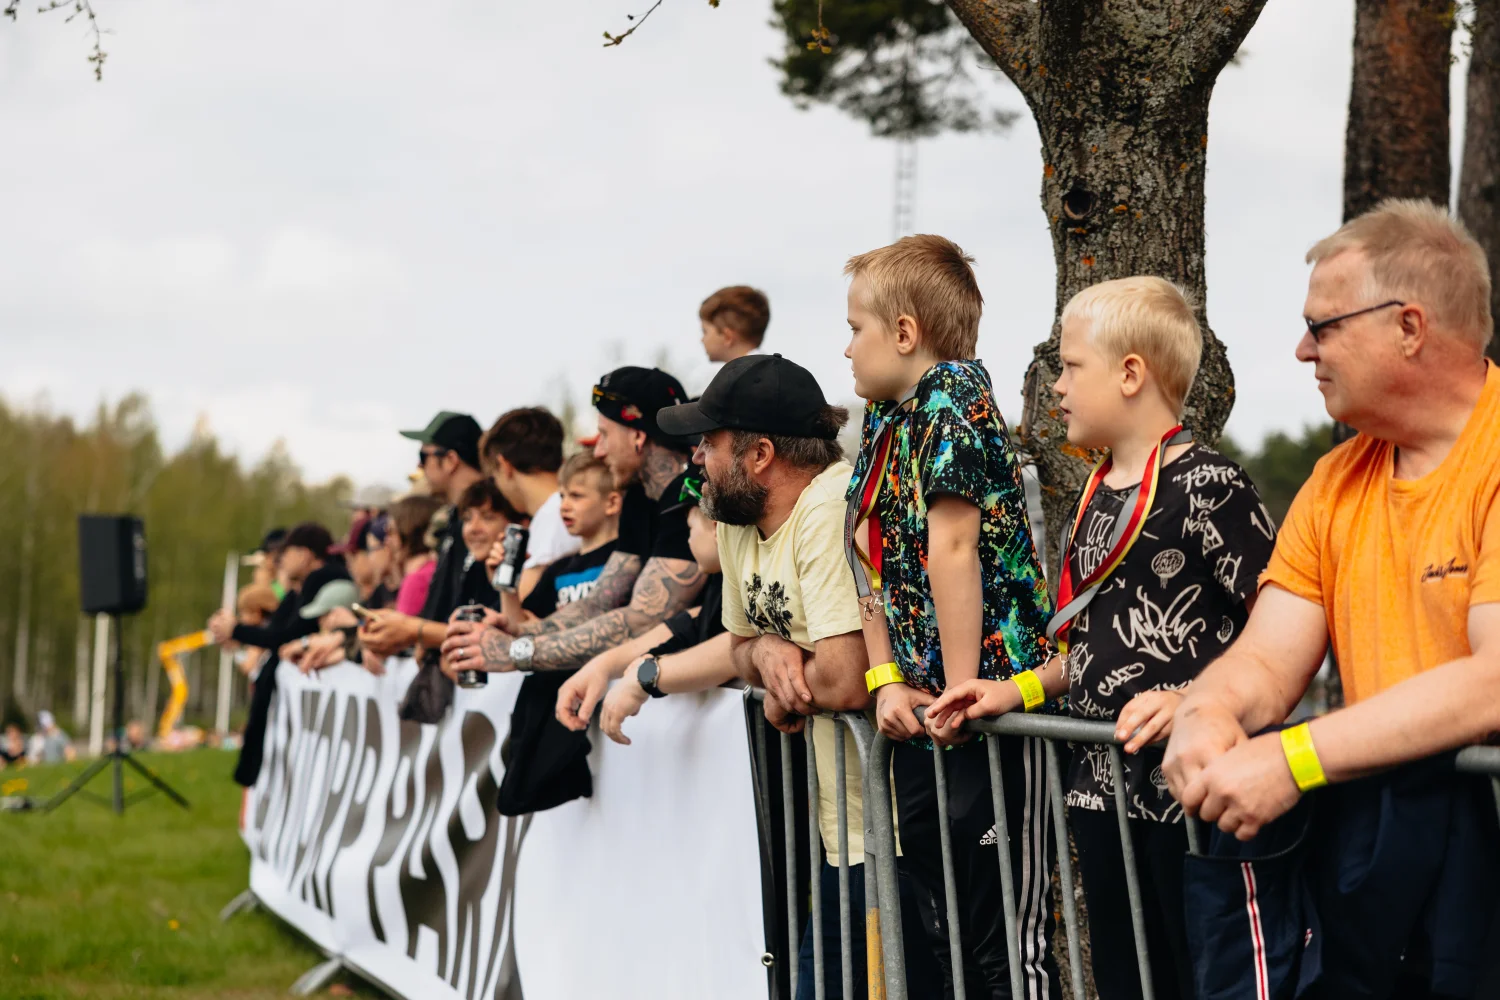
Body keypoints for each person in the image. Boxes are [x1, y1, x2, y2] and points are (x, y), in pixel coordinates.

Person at [1161, 199, 1500, 997]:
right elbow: (1268, 659)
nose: (1303, 348)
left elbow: (1492, 682)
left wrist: (1294, 756)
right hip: (1393, 862)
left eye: (1325, 325)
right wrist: (1206, 713)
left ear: (1409, 326)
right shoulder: (1335, 480)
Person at [929, 276, 1277, 1000]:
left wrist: (1190, 698)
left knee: (1197, 977)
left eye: (1070, 366)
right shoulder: (1098, 492)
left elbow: (1280, 636)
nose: (1054, 387)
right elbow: (1089, 653)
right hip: (1099, 794)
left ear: (1130, 374)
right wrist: (1013, 690)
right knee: (1121, 975)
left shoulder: (1212, 485)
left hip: (1191, 794)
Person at [652, 352, 936, 1000]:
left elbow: (840, 681)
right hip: (841, 829)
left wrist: (772, 655)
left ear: (760, 456)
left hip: (903, 831)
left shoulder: (830, 504)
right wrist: (765, 653)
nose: (698, 456)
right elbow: (741, 645)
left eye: (710, 441)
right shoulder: (739, 519)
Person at [836, 235, 1059, 999]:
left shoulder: (954, 395)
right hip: (922, 706)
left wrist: (963, 688)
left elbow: (955, 545)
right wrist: (885, 676)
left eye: (856, 328)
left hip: (989, 702)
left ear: (904, 333)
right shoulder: (883, 417)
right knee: (938, 928)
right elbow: (863, 546)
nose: (846, 349)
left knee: (1001, 944)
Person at [442, 368, 705, 679]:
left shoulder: (688, 493)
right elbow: (600, 602)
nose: (599, 451)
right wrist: (521, 630)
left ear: (637, 435)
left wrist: (517, 652)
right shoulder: (637, 496)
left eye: (605, 435)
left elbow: (643, 619)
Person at [214, 521, 349, 786]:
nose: (280, 560)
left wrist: (236, 630)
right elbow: (279, 633)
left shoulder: (321, 580)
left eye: (286, 551)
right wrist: (238, 632)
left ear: (306, 554)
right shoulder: (301, 588)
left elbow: (283, 636)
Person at [596, 502, 729, 745]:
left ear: (715, 526)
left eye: (690, 529)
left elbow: (739, 646)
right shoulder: (719, 584)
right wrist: (610, 665)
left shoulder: (737, 581)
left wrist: (645, 676)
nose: (688, 541)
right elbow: (689, 627)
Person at [480, 407, 581, 597]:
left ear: (504, 465)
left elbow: (520, 615)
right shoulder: (565, 509)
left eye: (495, 476)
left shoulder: (554, 516)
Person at [688, 285, 770, 395]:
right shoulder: (776, 375)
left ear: (727, 337)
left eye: (705, 331)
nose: (702, 340)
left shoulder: (727, 386)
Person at [389, 494, 445, 616]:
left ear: (408, 533)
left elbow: (399, 633)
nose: (387, 540)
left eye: (391, 531)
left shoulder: (417, 580)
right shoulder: (436, 569)